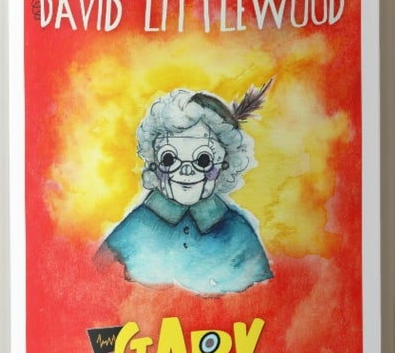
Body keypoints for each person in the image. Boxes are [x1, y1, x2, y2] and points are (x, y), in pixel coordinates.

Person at [98, 81, 273, 295]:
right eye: (169, 158)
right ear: (154, 163)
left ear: (224, 165)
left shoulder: (237, 232)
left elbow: (262, 295)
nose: (186, 171)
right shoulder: (136, 226)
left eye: (203, 160)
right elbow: (97, 279)